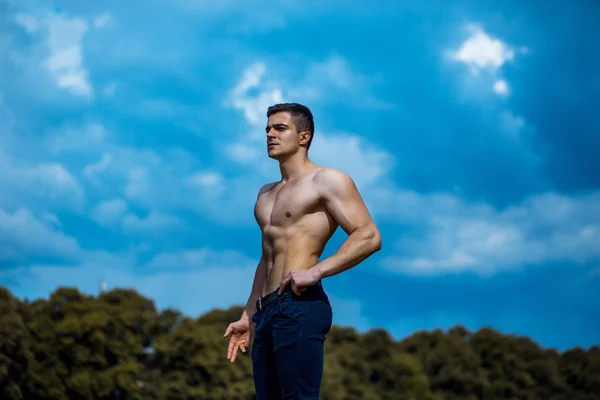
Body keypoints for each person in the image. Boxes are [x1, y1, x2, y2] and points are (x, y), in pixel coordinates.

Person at [223, 103, 382, 399]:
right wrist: (248, 315)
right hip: (265, 311)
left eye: (280, 128)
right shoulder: (265, 194)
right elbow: (267, 258)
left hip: (299, 305)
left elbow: (369, 235)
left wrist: (316, 271)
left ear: (304, 137)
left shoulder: (328, 180)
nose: (270, 134)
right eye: (267, 129)